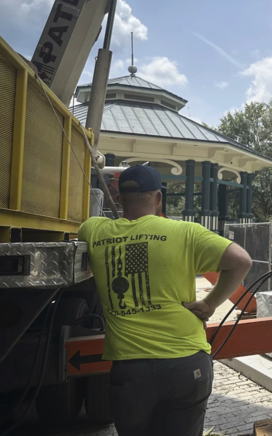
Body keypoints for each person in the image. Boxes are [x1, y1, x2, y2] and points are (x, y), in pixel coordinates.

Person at [78, 165, 252, 436]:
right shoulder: (186, 232)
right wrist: (209, 305)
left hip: (130, 370)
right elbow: (241, 261)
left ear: (118, 198)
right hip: (187, 363)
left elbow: (89, 225)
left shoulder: (93, 231)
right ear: (158, 198)